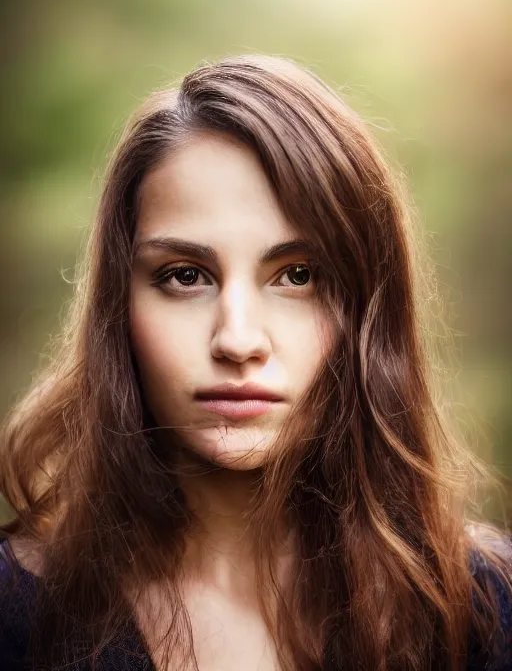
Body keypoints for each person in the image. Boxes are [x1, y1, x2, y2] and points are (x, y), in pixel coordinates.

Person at [0, 54, 510, 671]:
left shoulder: (480, 610)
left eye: (297, 275)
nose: (238, 340)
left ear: (370, 310)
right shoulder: (15, 614)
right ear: (118, 306)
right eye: (184, 275)